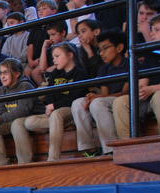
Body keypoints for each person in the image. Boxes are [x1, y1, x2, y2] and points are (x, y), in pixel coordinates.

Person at [12, 42, 87, 163]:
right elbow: (50, 94)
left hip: (69, 109)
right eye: (53, 58)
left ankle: (53, 158)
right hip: (54, 112)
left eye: (57, 56)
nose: (54, 60)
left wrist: (54, 106)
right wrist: (49, 106)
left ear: (70, 55)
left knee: (57, 115)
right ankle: (24, 163)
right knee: (28, 122)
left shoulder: (80, 72)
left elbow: (76, 96)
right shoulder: (55, 74)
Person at [72, 29, 129, 157]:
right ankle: (88, 149)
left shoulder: (128, 64)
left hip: (123, 100)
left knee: (97, 103)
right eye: (99, 50)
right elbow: (104, 93)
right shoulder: (104, 68)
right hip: (108, 100)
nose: (101, 53)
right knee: (78, 103)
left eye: (105, 48)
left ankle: (110, 149)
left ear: (119, 48)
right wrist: (94, 97)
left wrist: (98, 98)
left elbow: (126, 93)